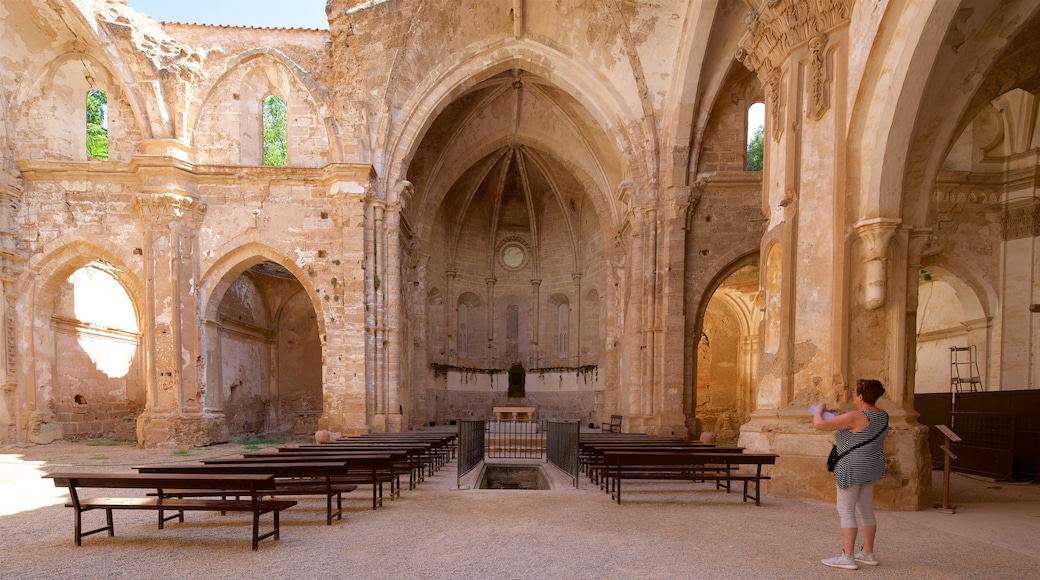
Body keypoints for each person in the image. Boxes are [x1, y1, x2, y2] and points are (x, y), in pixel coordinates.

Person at [813, 379, 889, 570]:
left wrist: (820, 408)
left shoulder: (856, 416)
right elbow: (860, 427)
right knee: (865, 509)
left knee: (846, 510)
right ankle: (867, 552)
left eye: (855, 393)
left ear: (861, 396)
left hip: (851, 466)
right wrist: (843, 415)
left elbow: (819, 425)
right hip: (871, 465)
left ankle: (847, 556)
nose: (853, 395)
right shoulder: (883, 415)